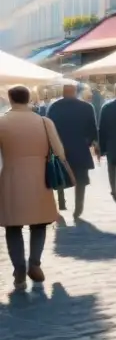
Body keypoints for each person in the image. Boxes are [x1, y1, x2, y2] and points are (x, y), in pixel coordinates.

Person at [0, 85, 72, 288]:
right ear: (28, 98)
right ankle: (35, 264)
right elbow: (60, 152)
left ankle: (19, 271)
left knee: (13, 227)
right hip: (41, 178)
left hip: (11, 178)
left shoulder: (1, 122)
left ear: (10, 99)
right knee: (39, 224)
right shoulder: (44, 121)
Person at [46, 81, 98, 217]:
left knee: (60, 175)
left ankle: (62, 202)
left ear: (63, 92)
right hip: (80, 147)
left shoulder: (54, 107)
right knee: (80, 179)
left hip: (60, 147)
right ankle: (78, 208)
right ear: (75, 92)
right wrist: (88, 142)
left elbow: (48, 129)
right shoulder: (87, 107)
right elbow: (93, 130)